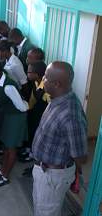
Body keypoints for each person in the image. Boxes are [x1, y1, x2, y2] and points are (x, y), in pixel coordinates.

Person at [31, 61, 87, 216]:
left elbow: (80, 155)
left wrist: (72, 172)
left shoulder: (70, 114)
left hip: (52, 176)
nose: (43, 78)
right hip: (44, 171)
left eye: (46, 77)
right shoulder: (56, 99)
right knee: (41, 209)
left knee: (46, 212)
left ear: (57, 83)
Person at [0, 59, 28, 187]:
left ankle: (5, 177)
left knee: (11, 148)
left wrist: (26, 104)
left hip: (16, 118)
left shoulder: (8, 86)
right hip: (9, 116)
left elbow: (22, 107)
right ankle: (1, 170)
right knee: (6, 146)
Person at [21, 61, 50, 167]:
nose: (27, 74)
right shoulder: (36, 83)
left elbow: (50, 105)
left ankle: (34, 156)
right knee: (31, 130)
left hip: (43, 117)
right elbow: (33, 99)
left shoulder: (46, 88)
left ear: (37, 74)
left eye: (29, 72)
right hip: (35, 114)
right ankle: (30, 151)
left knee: (38, 134)